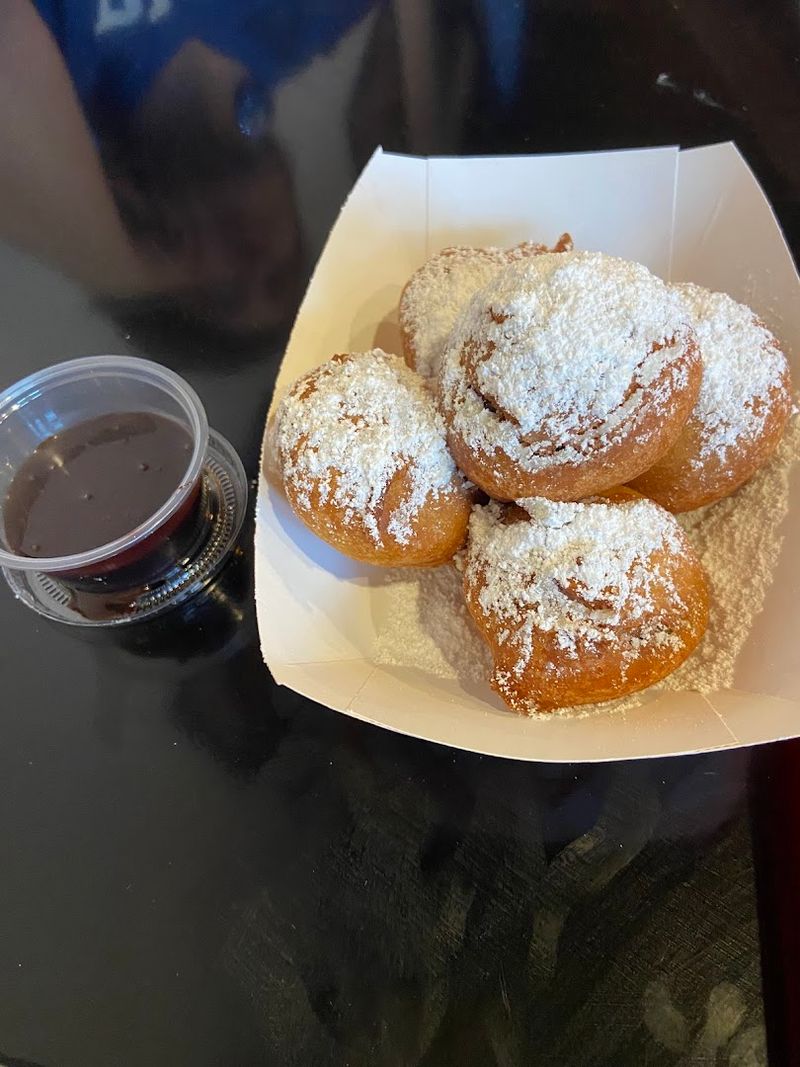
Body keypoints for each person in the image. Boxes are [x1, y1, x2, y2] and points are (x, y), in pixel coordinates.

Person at [0, 0, 374, 338]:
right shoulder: (311, 18)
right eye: (280, 276)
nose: (252, 264)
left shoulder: (59, 91)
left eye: (224, 294)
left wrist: (112, 267)